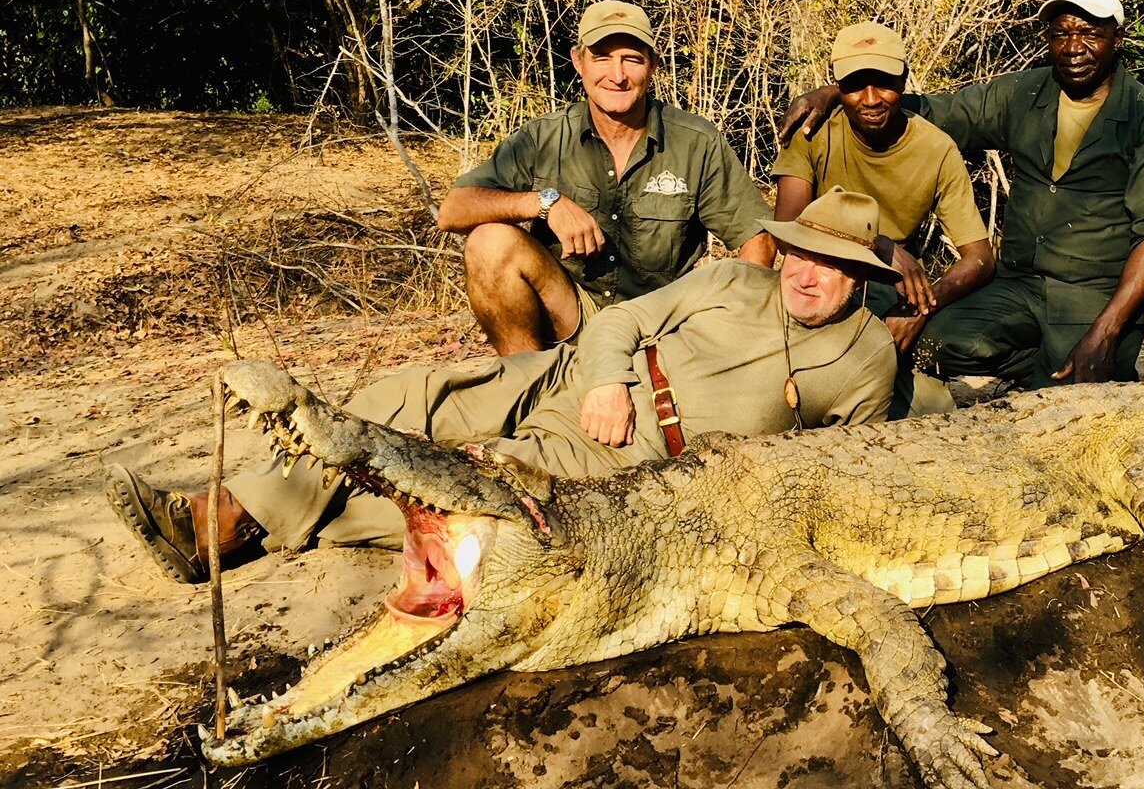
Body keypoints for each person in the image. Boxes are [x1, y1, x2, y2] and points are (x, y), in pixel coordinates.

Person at [107, 191, 900, 583]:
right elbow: (620, 325)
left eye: (831, 265)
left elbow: (838, 470)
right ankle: (233, 511)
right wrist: (608, 380)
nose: (805, 272)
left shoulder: (868, 363)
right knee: (408, 394)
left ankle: (226, 528)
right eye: (800, 252)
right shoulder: (734, 279)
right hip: (585, 374)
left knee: (464, 485)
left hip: (635, 459)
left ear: (863, 279)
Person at [779, 0, 1144, 388]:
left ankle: (1084, 364)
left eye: (1090, 33)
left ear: (1118, 38)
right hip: (1019, 284)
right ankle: (1042, 368)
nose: (1074, 47)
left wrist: (1107, 331)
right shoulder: (1022, 93)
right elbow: (936, 112)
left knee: (1078, 387)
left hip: (1092, 292)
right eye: (1061, 33)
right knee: (929, 343)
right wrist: (836, 92)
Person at [437, 0, 775, 355]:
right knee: (489, 242)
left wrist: (720, 329)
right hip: (572, 313)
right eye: (602, 57)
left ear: (653, 66)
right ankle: (529, 383)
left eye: (632, 59)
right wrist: (543, 203)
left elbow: (759, 239)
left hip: (660, 328)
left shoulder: (696, 141)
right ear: (578, 61)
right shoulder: (543, 138)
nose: (617, 75)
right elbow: (453, 211)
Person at [773, 21, 995, 414]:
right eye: (857, 84)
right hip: (821, 270)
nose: (872, 99)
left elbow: (978, 256)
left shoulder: (936, 147)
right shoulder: (814, 130)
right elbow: (787, 230)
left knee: (932, 407)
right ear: (838, 85)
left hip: (888, 287)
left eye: (885, 83)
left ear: (905, 81)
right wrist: (873, 244)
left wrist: (924, 305)